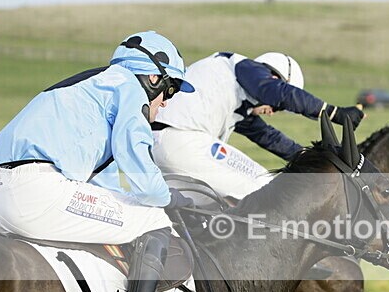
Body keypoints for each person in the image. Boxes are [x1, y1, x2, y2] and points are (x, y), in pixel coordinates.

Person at [0, 31, 197, 292]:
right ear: (153, 77)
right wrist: (172, 198)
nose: (167, 101)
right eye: (171, 88)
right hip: (35, 190)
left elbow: (107, 183)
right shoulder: (129, 88)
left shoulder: (96, 85)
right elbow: (141, 170)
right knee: (153, 221)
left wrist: (141, 199)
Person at [151, 51, 366, 200]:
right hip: (182, 140)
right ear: (273, 76)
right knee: (266, 187)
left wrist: (313, 161)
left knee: (206, 210)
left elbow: (268, 137)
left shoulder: (233, 94)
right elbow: (280, 93)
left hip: (163, 147)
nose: (273, 111)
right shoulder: (244, 67)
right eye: (277, 106)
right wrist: (334, 112)